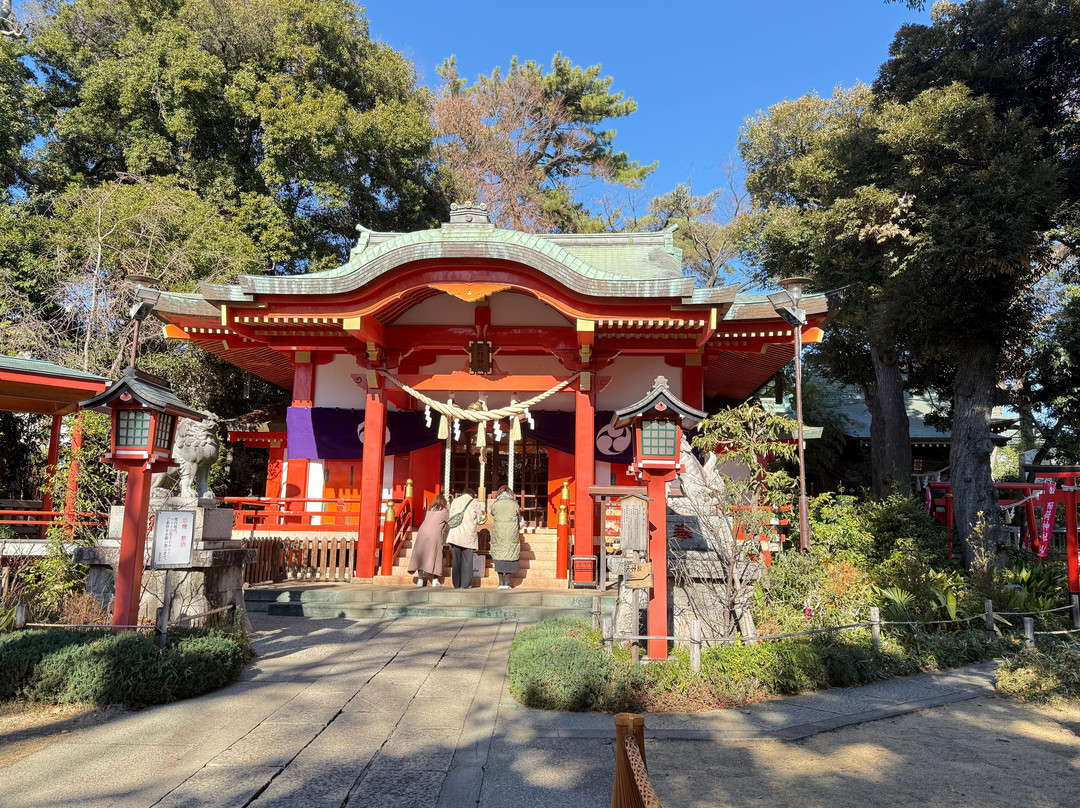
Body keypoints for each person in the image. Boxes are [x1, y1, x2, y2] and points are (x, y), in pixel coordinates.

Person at [446, 487, 484, 589]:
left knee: (456, 561)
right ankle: (465, 584)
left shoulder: (455, 501)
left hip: (455, 534)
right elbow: (479, 519)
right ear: (472, 495)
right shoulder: (475, 503)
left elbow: (451, 516)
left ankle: (456, 584)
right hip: (468, 534)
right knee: (467, 561)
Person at [408, 494, 448, 587]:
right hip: (434, 534)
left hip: (422, 532)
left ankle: (420, 580)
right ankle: (435, 580)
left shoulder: (430, 510)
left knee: (421, 555)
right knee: (436, 554)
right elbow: (450, 521)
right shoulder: (444, 511)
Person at [489, 485, 521, 590]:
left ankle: (500, 582)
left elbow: (492, 513)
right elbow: (518, 515)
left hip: (498, 532)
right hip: (511, 533)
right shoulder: (514, 504)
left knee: (499, 555)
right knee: (510, 555)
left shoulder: (496, 504)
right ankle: (507, 582)